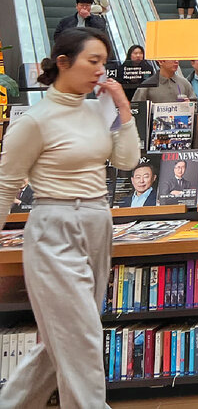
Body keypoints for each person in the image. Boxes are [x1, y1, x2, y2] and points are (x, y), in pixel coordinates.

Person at [0, 28, 140, 407]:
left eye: (103, 62)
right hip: (54, 226)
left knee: (67, 338)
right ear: (63, 63)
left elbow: (126, 161)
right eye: (92, 61)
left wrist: (123, 108)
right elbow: (5, 186)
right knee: (81, 337)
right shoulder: (34, 119)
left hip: (97, 221)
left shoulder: (98, 109)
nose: (101, 70)